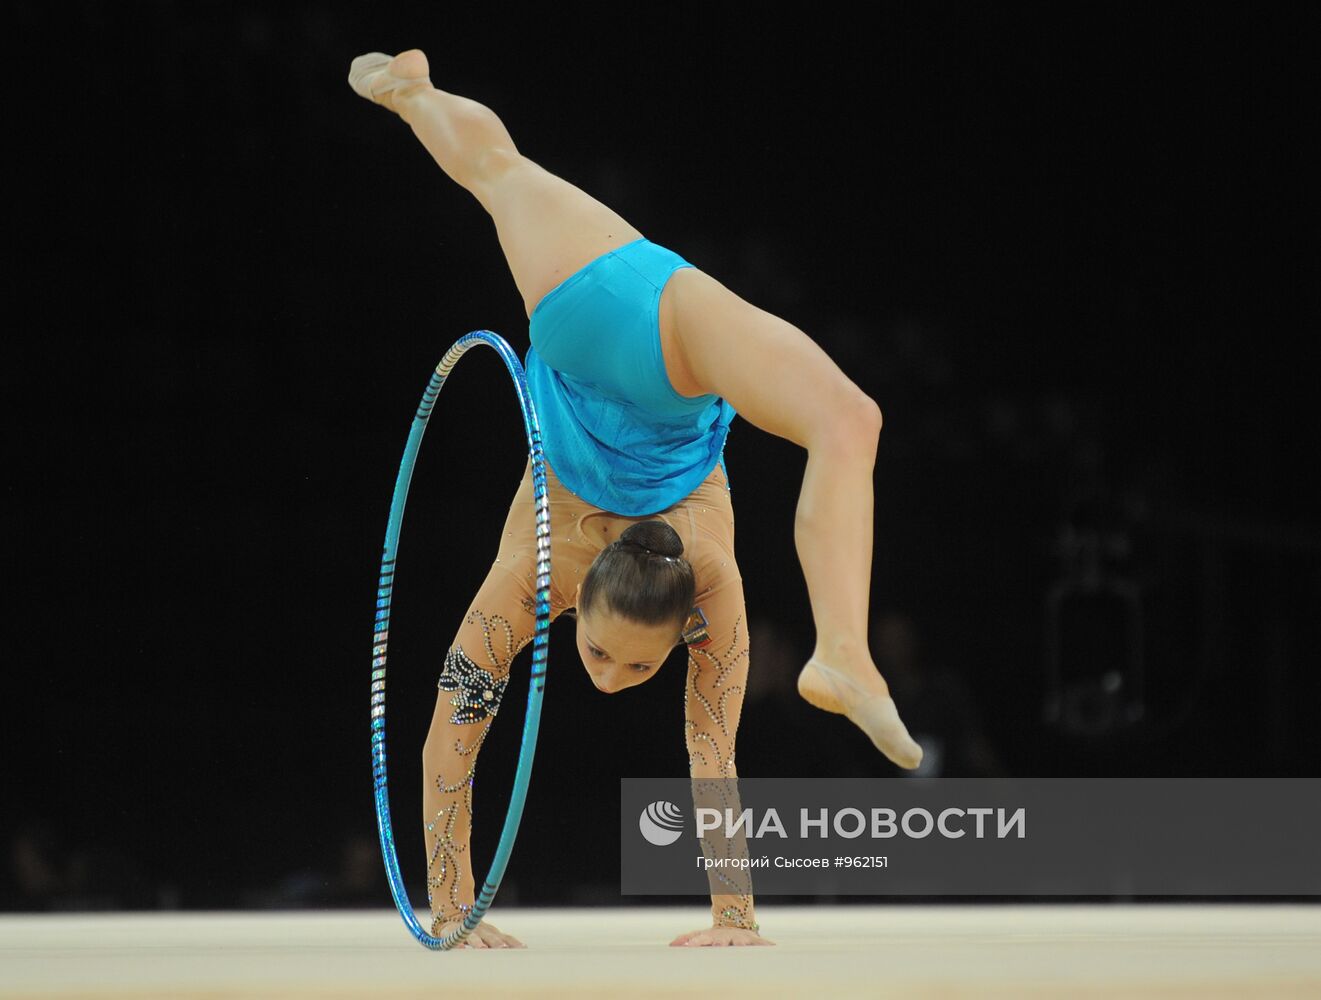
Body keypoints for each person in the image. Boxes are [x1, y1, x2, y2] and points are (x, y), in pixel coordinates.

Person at [348, 49, 923, 949]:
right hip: (626, 333)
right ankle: (841, 648)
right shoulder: (693, 580)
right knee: (845, 422)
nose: (609, 678)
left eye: (621, 665)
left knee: (499, 172)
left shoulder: (550, 575)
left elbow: (452, 737)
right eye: (618, 660)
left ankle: (417, 93)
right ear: (581, 605)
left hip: (636, 329)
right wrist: (730, 917)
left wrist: (455, 907)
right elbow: (708, 755)